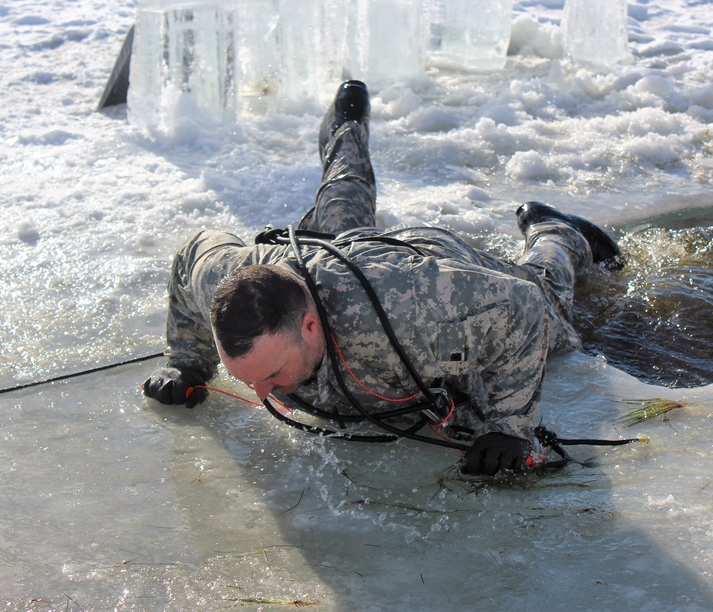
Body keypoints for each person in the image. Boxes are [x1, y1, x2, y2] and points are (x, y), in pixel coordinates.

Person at [142, 80, 624, 477]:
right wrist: (188, 361)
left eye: (270, 375)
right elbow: (190, 257)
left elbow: (523, 309)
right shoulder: (226, 281)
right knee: (344, 198)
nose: (262, 395)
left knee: (554, 313)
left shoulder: (417, 307)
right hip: (317, 257)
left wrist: (506, 426)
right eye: (249, 379)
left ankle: (557, 232)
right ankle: (347, 125)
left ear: (310, 326)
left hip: (419, 262)